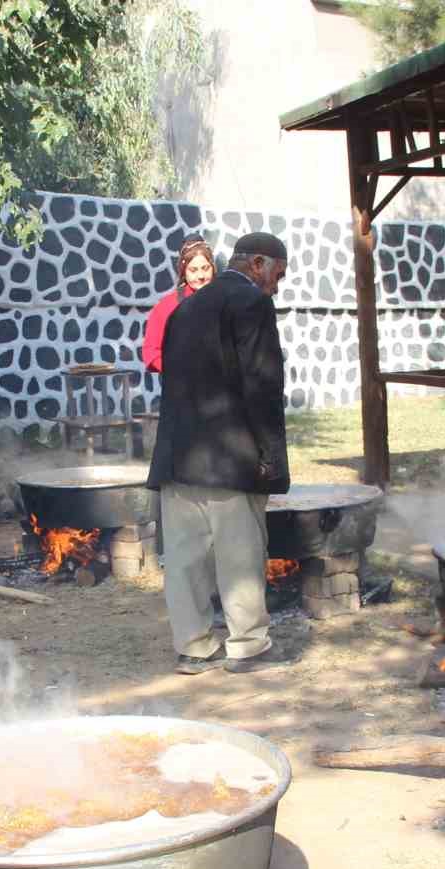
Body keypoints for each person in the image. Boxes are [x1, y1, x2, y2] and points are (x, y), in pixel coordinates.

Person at [146, 231, 294, 675]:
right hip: (230, 456)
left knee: (186, 559)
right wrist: (270, 456)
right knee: (239, 555)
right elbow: (262, 385)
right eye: (278, 274)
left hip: (178, 456)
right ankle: (248, 646)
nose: (278, 284)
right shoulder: (251, 304)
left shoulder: (183, 307)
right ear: (256, 265)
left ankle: (194, 645)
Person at [141, 236, 216, 373]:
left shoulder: (227, 301)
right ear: (183, 270)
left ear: (213, 267)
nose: (200, 275)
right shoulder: (167, 306)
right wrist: (176, 371)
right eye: (193, 270)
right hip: (180, 387)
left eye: (205, 268)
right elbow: (151, 351)